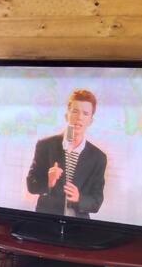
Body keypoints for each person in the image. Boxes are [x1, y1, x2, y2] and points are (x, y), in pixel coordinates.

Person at [25, 89, 107, 218]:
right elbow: (31, 185)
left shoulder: (98, 157)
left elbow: (96, 201)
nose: (79, 117)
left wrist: (79, 198)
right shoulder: (45, 146)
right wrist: (48, 182)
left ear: (91, 121)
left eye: (85, 113)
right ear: (66, 115)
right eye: (75, 111)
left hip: (78, 225)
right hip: (46, 221)